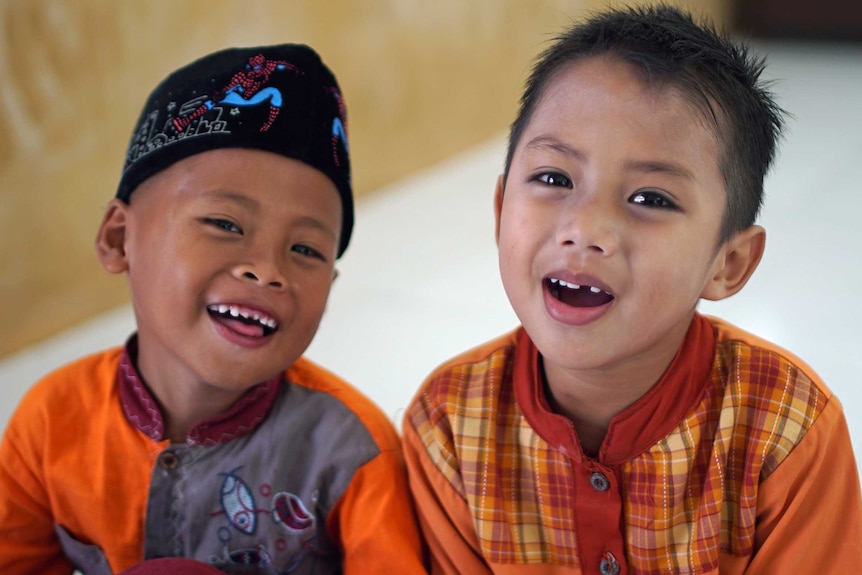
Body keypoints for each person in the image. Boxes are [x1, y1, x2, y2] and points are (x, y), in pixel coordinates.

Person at [402, 5, 862, 574]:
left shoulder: (786, 429)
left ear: (729, 262)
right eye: (554, 178)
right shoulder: (449, 424)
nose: (586, 230)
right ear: (500, 212)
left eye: (651, 199)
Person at [0, 44, 425, 574]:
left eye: (306, 250)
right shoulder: (49, 423)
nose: (267, 269)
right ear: (118, 238)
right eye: (225, 224)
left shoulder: (352, 452)